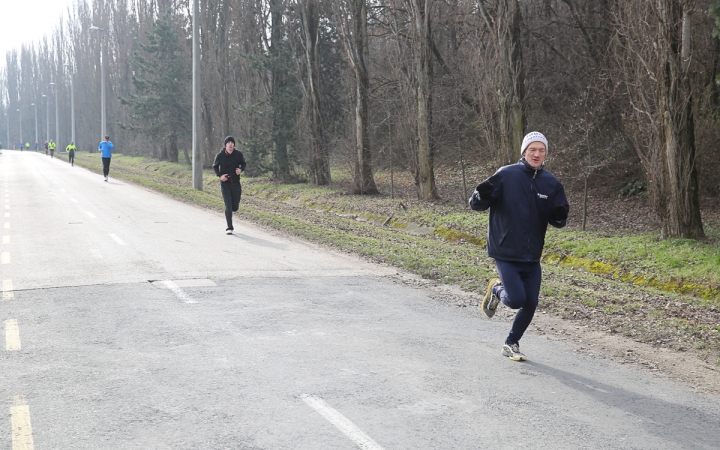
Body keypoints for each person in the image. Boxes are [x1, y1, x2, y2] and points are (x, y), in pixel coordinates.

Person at [470, 131, 569, 362]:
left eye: (541, 150)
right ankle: (496, 289)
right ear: (524, 152)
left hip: (532, 254)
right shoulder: (506, 175)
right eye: (532, 149)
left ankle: (511, 343)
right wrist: (479, 195)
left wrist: (559, 214)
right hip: (505, 249)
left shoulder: (551, 183)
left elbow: (559, 220)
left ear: (545, 154)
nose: (537, 154)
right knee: (516, 300)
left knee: (531, 302)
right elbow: (477, 205)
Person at [212, 136, 246, 235]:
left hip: (235, 183)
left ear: (234, 145)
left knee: (235, 207)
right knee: (228, 206)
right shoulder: (220, 155)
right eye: (228, 143)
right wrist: (220, 175)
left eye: (232, 143)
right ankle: (229, 227)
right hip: (225, 184)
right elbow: (215, 166)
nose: (230, 144)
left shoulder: (238, 154)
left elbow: (243, 164)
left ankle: (231, 210)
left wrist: (240, 169)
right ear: (225, 145)